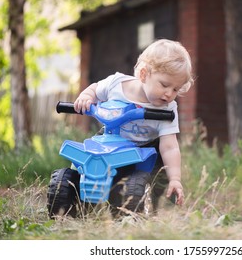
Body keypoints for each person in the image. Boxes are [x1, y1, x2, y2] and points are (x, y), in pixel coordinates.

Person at [74, 39, 194, 210]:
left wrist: (175, 178)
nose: (169, 94)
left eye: (176, 89)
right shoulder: (116, 84)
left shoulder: (167, 109)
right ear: (144, 74)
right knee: (89, 156)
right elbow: (95, 89)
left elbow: (169, 146)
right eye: (165, 85)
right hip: (113, 138)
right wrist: (87, 96)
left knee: (160, 177)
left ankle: (157, 208)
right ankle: (78, 191)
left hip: (148, 146)